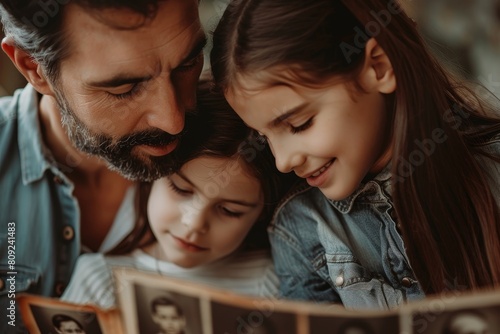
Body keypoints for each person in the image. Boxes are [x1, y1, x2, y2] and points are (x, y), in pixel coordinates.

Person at [210, 0, 500, 309]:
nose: (283, 162)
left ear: (379, 66)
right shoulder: (302, 230)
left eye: (299, 124)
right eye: (265, 138)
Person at [0, 1, 205, 331]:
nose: (174, 121)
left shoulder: (241, 142)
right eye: (124, 89)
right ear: (34, 68)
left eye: (188, 63)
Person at [60, 79, 296, 309]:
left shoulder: (274, 282)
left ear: (261, 215)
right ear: (151, 178)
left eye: (230, 211)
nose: (193, 223)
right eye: (180, 190)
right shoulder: (100, 281)